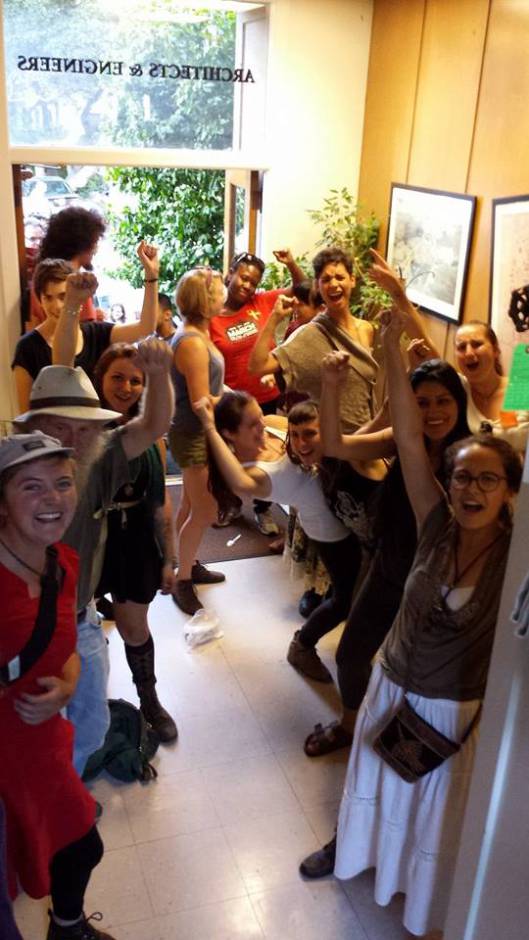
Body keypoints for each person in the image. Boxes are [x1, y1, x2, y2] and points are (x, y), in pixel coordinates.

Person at [314, 305, 522, 938]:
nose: (471, 490)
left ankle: (420, 900)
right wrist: (388, 347)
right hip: (394, 684)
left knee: (430, 812)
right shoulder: (435, 517)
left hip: (452, 710)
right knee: (377, 780)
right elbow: (407, 441)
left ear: (512, 491)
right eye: (462, 478)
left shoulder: (514, 557)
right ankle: (354, 852)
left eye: (487, 480)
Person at [14, 340, 174, 777]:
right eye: (59, 427)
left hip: (80, 617)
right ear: (33, 427)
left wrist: (159, 373)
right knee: (32, 730)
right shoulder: (10, 473)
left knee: (92, 724)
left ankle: (71, 785)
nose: (72, 441)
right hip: (23, 623)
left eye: (84, 429)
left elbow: (154, 424)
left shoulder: (100, 458)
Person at [0, 431, 116, 940]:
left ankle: (66, 927)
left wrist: (68, 685)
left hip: (42, 743)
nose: (53, 497)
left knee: (81, 844)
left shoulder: (61, 563)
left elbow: (62, 642)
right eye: (31, 486)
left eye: (63, 483)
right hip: (4, 759)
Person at [195, 393, 383, 683]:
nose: (262, 425)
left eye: (260, 417)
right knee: (344, 601)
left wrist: (383, 415)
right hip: (329, 533)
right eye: (252, 424)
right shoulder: (253, 472)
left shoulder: (273, 427)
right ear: (230, 434)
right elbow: (239, 482)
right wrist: (208, 425)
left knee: (347, 587)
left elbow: (338, 442)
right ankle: (302, 645)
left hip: (339, 516)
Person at [93, 343, 177, 742]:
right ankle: (86, 704)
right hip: (89, 539)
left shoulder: (149, 435)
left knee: (134, 628)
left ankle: (149, 699)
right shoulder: (81, 431)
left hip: (134, 541)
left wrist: (170, 559)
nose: (126, 387)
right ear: (99, 378)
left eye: (135, 380)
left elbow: (161, 504)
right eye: (117, 377)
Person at [210, 249, 305, 535]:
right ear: (230, 274)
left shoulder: (262, 302)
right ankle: (231, 504)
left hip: (264, 399)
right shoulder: (212, 316)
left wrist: (291, 263)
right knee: (228, 458)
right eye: (243, 278)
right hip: (230, 403)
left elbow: (301, 288)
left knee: (264, 457)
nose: (247, 285)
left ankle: (263, 509)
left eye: (253, 282)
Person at [12, 242, 160, 411]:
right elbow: (26, 413)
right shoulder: (28, 347)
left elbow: (145, 328)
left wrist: (151, 276)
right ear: (39, 299)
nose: (56, 306)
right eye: (48, 297)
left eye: (63, 296)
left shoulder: (96, 333)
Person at [169, 267, 227, 616]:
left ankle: (186, 563)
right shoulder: (191, 341)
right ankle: (182, 581)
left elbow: (210, 388)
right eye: (218, 290)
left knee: (191, 505)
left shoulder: (197, 334)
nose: (224, 294)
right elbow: (202, 402)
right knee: (205, 510)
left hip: (195, 431)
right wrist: (237, 403)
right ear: (204, 300)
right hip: (194, 434)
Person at [31, 205, 107, 324]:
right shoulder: (77, 284)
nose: (95, 249)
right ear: (84, 244)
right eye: (95, 241)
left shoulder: (41, 279)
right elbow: (84, 333)